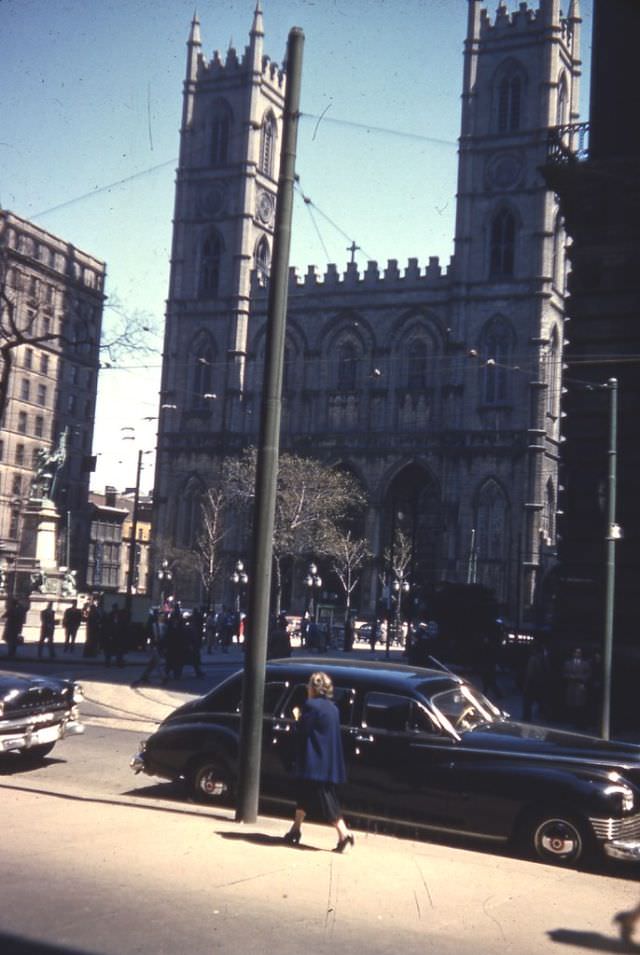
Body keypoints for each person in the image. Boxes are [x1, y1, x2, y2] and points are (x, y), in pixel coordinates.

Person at [283, 671, 354, 853]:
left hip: (315, 760)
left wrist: (297, 717)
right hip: (329, 759)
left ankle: (344, 833)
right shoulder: (333, 708)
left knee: (325, 798)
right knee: (304, 794)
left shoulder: (311, 706)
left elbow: (303, 730)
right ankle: (295, 829)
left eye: (309, 685)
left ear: (313, 688)